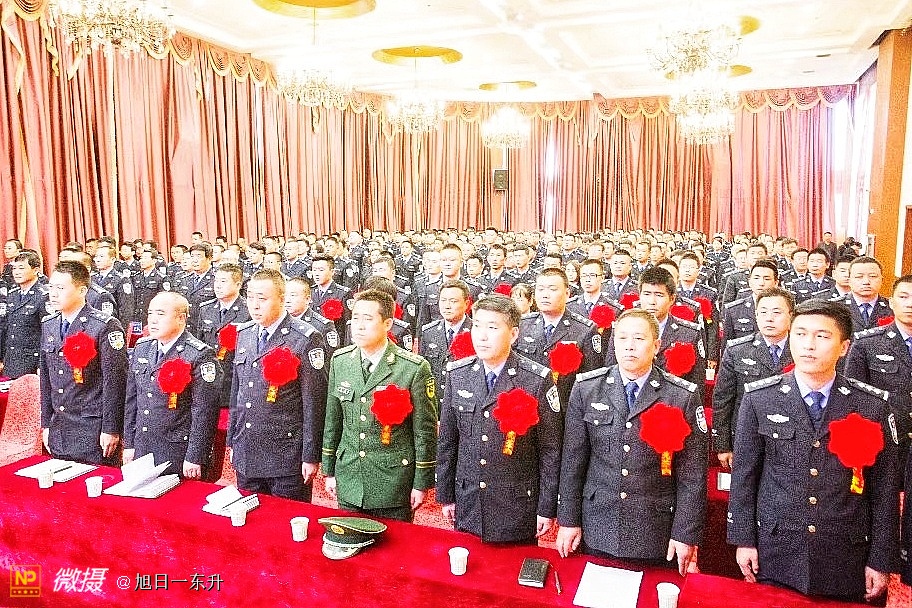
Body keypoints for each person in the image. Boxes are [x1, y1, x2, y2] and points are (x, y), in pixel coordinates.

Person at [727, 300, 899, 603]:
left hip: (845, 551)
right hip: (777, 546)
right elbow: (744, 476)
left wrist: (880, 559)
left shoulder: (871, 405)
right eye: (800, 334)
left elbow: (884, 489)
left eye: (822, 336)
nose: (809, 345)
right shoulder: (760, 399)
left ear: (844, 347)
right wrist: (744, 540)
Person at [556, 309, 707, 575]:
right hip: (598, 521)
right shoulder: (587, 388)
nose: (629, 346)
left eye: (638, 338)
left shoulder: (680, 397)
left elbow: (692, 475)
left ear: (656, 346)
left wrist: (684, 533)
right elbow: (573, 462)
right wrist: (568, 519)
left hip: (654, 527)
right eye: (622, 338)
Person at [436, 295, 561, 543]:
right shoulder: (458, 374)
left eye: (492, 327)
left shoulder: (535, 380)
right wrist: (446, 495)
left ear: (513, 334)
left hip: (516, 505)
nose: (481, 336)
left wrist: (546, 507)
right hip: (468, 499)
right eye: (477, 326)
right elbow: (448, 441)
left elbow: (550, 450)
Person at [321, 289, 438, 522]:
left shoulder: (412, 368)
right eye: (355, 318)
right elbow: (333, 420)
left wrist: (421, 483)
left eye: (368, 319)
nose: (359, 326)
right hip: (350, 475)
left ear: (387, 324)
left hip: (393, 482)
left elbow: (424, 432)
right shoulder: (340, 361)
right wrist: (329, 470)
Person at [227, 269, 328, 501]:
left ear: (282, 299)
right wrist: (233, 439)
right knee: (249, 516)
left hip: (286, 454)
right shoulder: (244, 333)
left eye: (262, 299)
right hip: (248, 448)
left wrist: (310, 455)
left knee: (286, 518)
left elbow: (314, 402)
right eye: (250, 297)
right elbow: (237, 393)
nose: (254, 305)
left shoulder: (304, 338)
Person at [124, 292, 223, 478]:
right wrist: (129, 444)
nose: (153, 320)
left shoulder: (199, 355)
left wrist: (195, 456)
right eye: (150, 313)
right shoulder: (142, 347)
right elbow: (132, 400)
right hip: (144, 444)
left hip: (177, 449)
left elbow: (204, 411)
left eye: (160, 314)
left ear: (181, 318)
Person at [39, 260, 127, 465]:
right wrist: (46, 423)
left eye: (61, 288)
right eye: (51, 287)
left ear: (82, 291)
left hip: (92, 426)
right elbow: (46, 379)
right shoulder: (49, 324)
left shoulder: (103, 326)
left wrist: (111, 428)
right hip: (60, 425)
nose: (53, 294)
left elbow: (115, 382)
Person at [712, 287, 794, 468]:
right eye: (763, 312)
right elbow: (723, 399)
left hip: (791, 439)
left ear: (791, 315)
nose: (769, 318)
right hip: (747, 436)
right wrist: (723, 445)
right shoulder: (737, 350)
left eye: (776, 312)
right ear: (756, 316)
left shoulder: (802, 349)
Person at [845, 274, 912, 465]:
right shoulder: (867, 343)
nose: (910, 304)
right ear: (891, 302)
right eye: (903, 297)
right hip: (885, 444)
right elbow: (853, 395)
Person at [419, 279, 473, 398]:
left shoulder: (475, 332)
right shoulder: (429, 332)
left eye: (453, 301)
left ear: (466, 304)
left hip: (463, 400)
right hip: (435, 399)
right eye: (443, 300)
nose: (447, 306)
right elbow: (422, 372)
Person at [0, 251, 48, 378]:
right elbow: (5, 328)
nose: (16, 272)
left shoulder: (44, 296)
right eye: (14, 268)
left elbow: (47, 333)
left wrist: (41, 364)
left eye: (21, 268)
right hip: (11, 361)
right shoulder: (13, 294)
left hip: (32, 362)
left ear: (35, 270)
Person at [837, 256, 893, 333]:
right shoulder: (835, 307)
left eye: (873, 276)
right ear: (849, 280)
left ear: (882, 280)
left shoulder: (893, 308)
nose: (866, 282)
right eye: (859, 277)